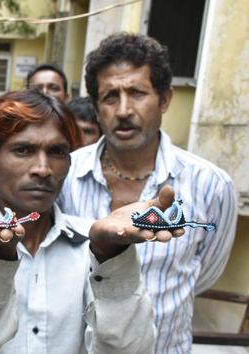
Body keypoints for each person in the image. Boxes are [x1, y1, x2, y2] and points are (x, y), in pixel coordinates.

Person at [0, 89, 184, 353]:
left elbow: (132, 350)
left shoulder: (96, 239)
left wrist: (113, 258)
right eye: (23, 150)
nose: (43, 169)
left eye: (56, 152)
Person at [58, 32, 238, 353]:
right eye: (110, 96)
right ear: (96, 107)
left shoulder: (211, 184)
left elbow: (203, 275)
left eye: (137, 93)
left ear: (165, 99)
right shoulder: (65, 175)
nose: (124, 110)